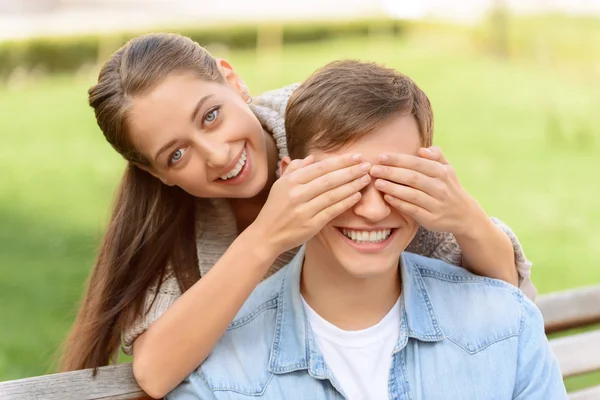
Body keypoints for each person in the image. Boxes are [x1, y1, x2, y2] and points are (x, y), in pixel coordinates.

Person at [60, 33, 535, 398]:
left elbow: (504, 293)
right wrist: (265, 237)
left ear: (232, 80)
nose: (218, 155)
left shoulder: (324, 129)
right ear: (155, 172)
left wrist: (467, 218)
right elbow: (156, 371)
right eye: (177, 155)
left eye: (210, 116)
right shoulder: (173, 218)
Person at [168, 60, 566, 400]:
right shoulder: (220, 372)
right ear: (290, 181)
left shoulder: (507, 325)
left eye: (395, 181)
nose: (373, 210)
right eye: (345, 183)